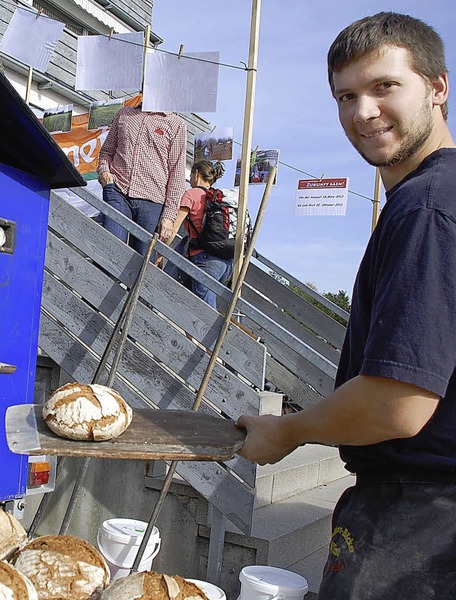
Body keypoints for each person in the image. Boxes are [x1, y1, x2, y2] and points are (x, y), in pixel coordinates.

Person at [236, 12, 455, 599]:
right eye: (346, 96)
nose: (363, 112)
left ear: (438, 88)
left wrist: (288, 431)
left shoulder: (428, 206)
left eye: (385, 86)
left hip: (420, 525)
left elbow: (397, 404)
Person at [98, 104, 187, 255]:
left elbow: (176, 175)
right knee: (110, 249)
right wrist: (104, 172)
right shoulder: (124, 113)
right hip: (118, 190)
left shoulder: (176, 123)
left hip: (152, 202)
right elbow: (106, 151)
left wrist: (169, 216)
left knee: (142, 261)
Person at [156, 160, 232, 309]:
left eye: (191, 175)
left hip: (204, 260)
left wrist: (161, 253)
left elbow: (174, 227)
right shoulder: (218, 198)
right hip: (225, 263)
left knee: (204, 314)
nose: (190, 179)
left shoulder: (191, 194)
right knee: (190, 311)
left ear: (196, 174)